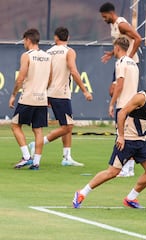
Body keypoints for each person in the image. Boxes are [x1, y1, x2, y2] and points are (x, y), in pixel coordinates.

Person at [72, 70, 146, 209]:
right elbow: (122, 113)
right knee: (112, 172)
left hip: (141, 142)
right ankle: (81, 193)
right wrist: (121, 136)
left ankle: (130, 199)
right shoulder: (141, 97)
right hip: (127, 140)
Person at [28, 27, 93, 167]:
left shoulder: (48, 52)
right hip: (61, 94)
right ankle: (39, 143)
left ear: (55, 38)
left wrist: (45, 92)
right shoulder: (69, 51)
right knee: (68, 126)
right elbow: (74, 71)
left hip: (50, 93)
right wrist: (85, 91)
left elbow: (44, 74)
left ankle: (67, 156)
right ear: (68, 38)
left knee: (66, 123)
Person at [99, 2, 143, 177]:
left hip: (129, 64)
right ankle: (127, 165)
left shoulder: (122, 24)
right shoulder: (114, 27)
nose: (104, 20)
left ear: (110, 13)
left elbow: (138, 38)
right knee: (115, 91)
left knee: (119, 94)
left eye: (104, 16)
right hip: (126, 62)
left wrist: (128, 58)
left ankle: (125, 165)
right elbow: (122, 43)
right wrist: (112, 53)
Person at [9, 28, 52, 170]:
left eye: (24, 40)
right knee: (38, 130)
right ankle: (36, 162)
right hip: (41, 98)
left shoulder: (27, 55)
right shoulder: (47, 56)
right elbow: (50, 78)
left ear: (28, 40)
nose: (23, 43)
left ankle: (26, 156)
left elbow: (20, 77)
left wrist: (14, 94)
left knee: (15, 125)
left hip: (28, 98)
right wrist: (45, 92)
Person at [108, 37, 139, 177]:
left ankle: (124, 169)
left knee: (121, 136)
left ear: (117, 48)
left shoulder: (120, 63)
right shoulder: (133, 63)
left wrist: (112, 103)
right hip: (134, 104)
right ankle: (130, 168)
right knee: (130, 135)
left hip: (123, 105)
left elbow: (119, 85)